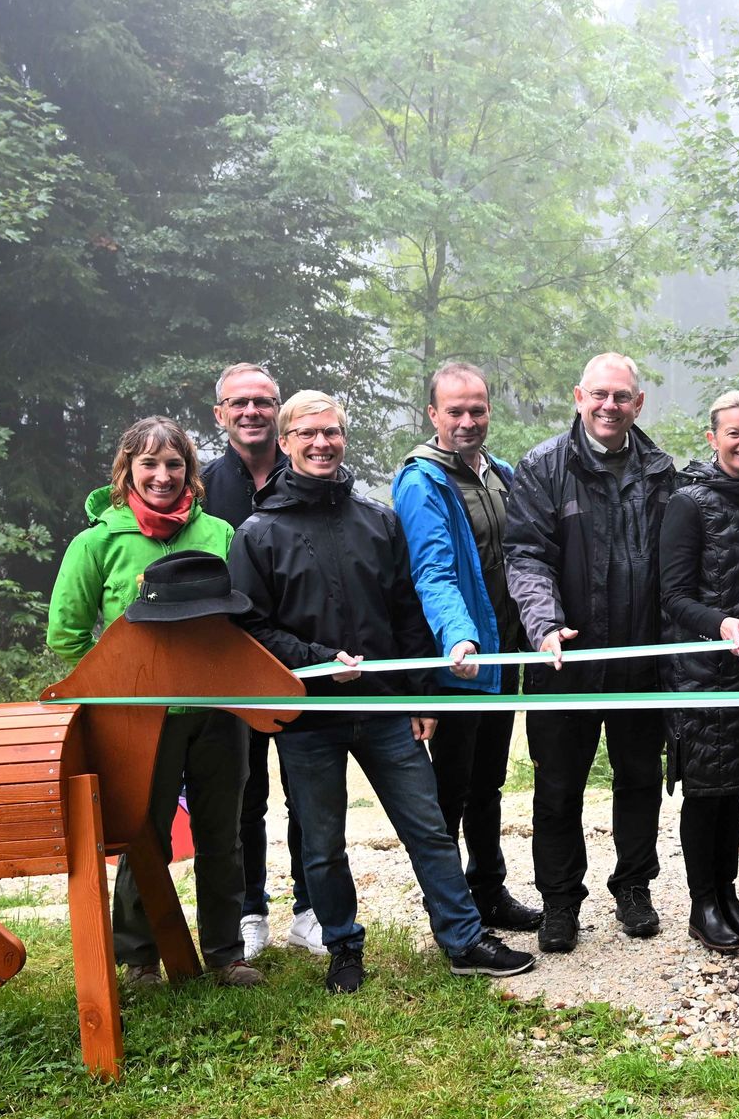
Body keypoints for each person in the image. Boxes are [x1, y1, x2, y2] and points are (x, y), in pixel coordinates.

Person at [229, 390, 534, 992]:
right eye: (309, 434)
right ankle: (343, 947)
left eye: (333, 432)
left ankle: (464, 938)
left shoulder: (379, 520)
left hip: (388, 708)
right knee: (322, 844)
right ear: (286, 443)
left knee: (426, 824)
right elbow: (251, 628)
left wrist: (422, 693)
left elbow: (408, 615)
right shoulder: (258, 533)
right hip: (308, 714)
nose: (322, 444)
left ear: (344, 439)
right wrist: (317, 661)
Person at [46, 416, 260, 988]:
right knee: (144, 835)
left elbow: (244, 622)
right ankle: (139, 958)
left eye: (174, 464)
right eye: (149, 464)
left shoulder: (219, 535)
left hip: (217, 713)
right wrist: (120, 687)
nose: (163, 476)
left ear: (190, 470)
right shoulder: (97, 542)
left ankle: (226, 953)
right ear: (127, 471)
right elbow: (65, 636)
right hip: (137, 721)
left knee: (223, 831)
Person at [505, 353, 676, 952]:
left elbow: (675, 568)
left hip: (641, 660)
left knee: (639, 778)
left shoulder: (662, 471)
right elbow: (525, 556)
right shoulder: (542, 467)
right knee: (557, 787)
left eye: (622, 396)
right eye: (599, 394)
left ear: (638, 403)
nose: (609, 406)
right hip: (564, 660)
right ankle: (559, 901)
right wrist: (543, 624)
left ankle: (634, 886)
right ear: (579, 396)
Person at [391, 362, 543, 935]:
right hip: (459, 664)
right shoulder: (421, 481)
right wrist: (459, 636)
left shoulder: (501, 473)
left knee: (489, 784)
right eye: (454, 410)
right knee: (449, 794)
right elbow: (433, 571)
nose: (467, 420)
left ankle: (488, 890)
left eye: (476, 409)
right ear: (433, 414)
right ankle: (451, 912)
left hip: (503, 661)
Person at [658, 391, 739, 954]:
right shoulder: (688, 502)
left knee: (734, 789)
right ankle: (701, 904)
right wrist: (719, 624)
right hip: (702, 670)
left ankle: (728, 894)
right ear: (712, 439)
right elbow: (672, 595)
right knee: (707, 791)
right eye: (734, 433)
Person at [200, 362, 315, 961]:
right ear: (219, 414)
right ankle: (249, 910)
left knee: (306, 787)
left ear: (280, 413)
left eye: (263, 402)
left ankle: (310, 909)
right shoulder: (199, 485)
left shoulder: (308, 476)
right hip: (227, 664)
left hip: (295, 658)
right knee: (243, 793)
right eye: (238, 402)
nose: (252, 412)